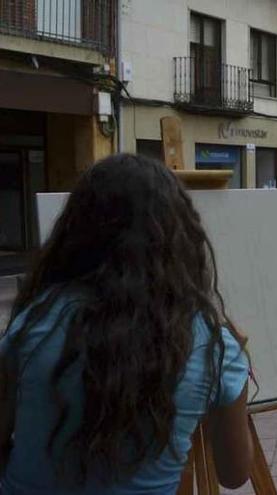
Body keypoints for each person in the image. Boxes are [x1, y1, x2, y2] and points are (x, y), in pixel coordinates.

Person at [0, 154, 253, 494]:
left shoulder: (35, 320)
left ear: (76, 231)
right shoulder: (211, 343)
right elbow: (234, 474)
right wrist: (238, 367)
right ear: (179, 239)